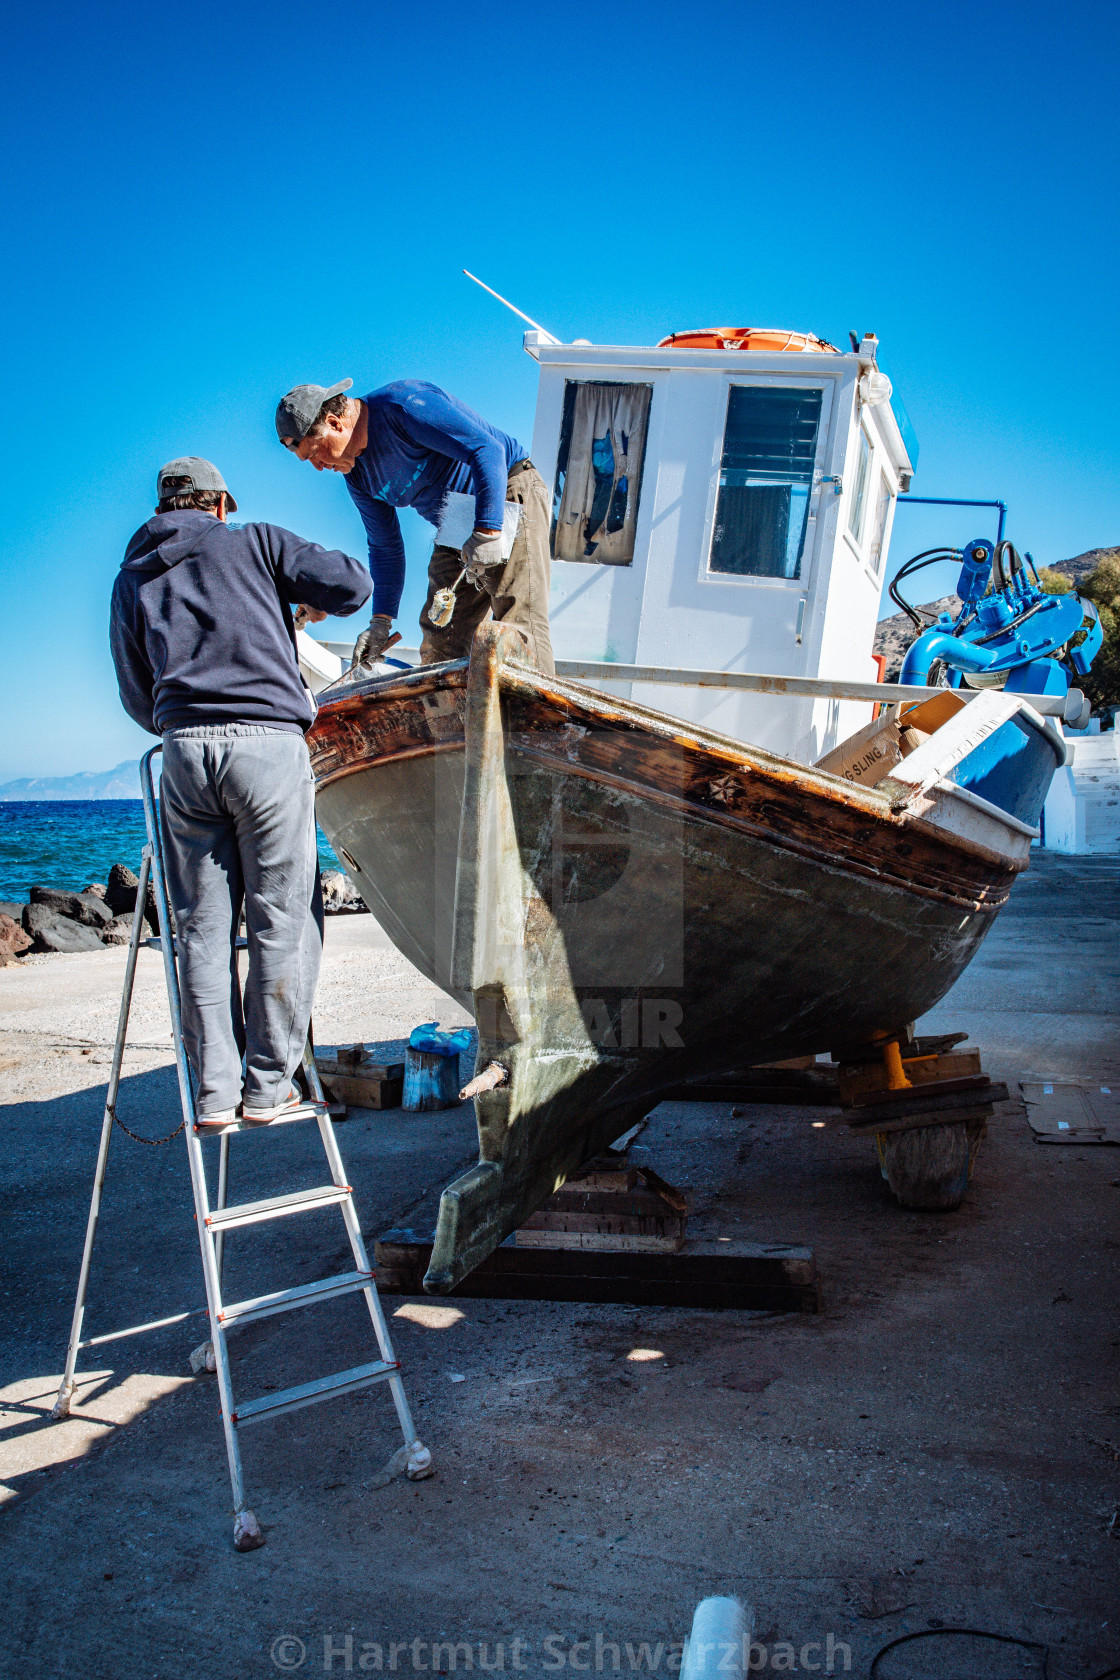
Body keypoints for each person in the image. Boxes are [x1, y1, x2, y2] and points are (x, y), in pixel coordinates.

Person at [109, 457, 372, 1128]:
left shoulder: (131, 575)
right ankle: (269, 1085)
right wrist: (299, 600)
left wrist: (185, 723)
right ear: (219, 502)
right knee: (282, 917)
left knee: (200, 929)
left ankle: (214, 1093)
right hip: (267, 746)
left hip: (184, 753)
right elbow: (352, 585)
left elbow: (137, 693)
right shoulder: (252, 541)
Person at [274, 377, 554, 673]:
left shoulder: (403, 406)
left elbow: (487, 450)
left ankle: (545, 720)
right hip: (455, 521)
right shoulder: (356, 477)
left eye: (315, 453)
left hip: (506, 492)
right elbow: (385, 547)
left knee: (519, 620)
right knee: (441, 633)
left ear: (335, 423)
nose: (318, 467)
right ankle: (451, 719)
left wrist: (488, 529)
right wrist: (380, 622)